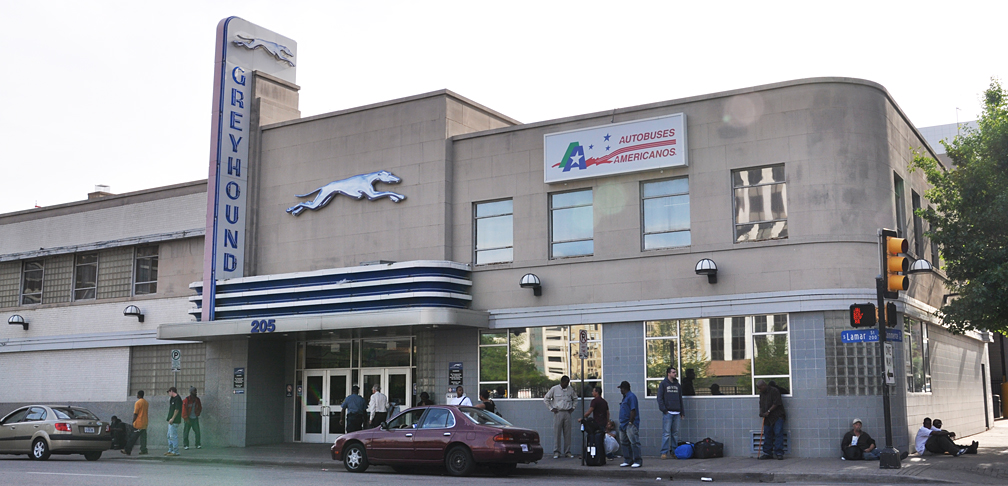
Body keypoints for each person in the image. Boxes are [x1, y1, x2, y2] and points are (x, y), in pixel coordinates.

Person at [543, 375, 578, 459]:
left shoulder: (570, 389)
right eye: (566, 382)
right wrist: (551, 408)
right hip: (558, 412)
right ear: (562, 382)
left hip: (567, 412)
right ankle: (556, 452)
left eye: (568, 382)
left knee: (567, 433)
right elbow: (546, 399)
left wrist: (573, 408)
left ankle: (567, 452)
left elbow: (575, 399)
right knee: (557, 433)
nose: (567, 384)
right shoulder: (554, 389)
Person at [657, 366, 684, 459]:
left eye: (675, 372)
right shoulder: (663, 384)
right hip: (668, 412)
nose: (675, 374)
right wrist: (664, 410)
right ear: (668, 373)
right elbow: (659, 398)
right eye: (673, 372)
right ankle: (664, 452)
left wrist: (682, 412)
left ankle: (674, 451)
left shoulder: (677, 385)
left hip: (676, 412)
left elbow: (680, 399)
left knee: (675, 434)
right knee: (666, 433)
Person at [757, 379, 785, 460]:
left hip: (777, 415)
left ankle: (779, 452)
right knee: (767, 433)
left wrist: (769, 411)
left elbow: (777, 403)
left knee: (778, 433)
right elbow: (761, 404)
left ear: (764, 386)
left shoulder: (774, 391)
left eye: (760, 388)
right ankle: (767, 452)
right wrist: (762, 412)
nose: (759, 390)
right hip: (767, 417)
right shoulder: (762, 394)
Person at [617, 380, 642, 468]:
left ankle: (637, 460)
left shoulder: (631, 397)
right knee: (624, 442)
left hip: (629, 424)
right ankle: (627, 460)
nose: (620, 391)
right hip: (623, 423)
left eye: (620, 389)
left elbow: (633, 410)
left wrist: (631, 422)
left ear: (624, 389)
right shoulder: (625, 397)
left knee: (634, 442)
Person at [121, 390, 149, 456]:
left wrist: (133, 421)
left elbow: (136, 413)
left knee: (132, 438)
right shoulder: (146, 402)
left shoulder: (138, 402)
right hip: (145, 422)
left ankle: (127, 450)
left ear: (139, 395)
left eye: (137, 394)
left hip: (139, 423)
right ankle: (144, 450)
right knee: (143, 438)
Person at [165, 387, 183, 456]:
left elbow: (177, 410)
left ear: (172, 391)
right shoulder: (172, 399)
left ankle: (175, 451)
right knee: (169, 435)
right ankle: (171, 450)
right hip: (170, 420)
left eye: (169, 392)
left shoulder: (177, 399)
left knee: (173, 436)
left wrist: (173, 418)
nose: (168, 394)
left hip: (174, 420)